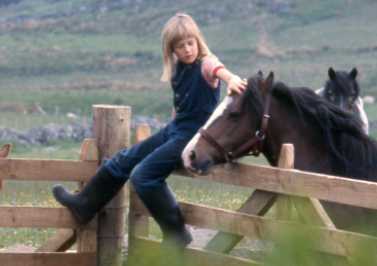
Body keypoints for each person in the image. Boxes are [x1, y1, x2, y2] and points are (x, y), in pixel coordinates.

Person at [53, 13, 246, 246]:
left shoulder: (205, 64)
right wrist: (168, 131)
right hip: (175, 129)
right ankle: (84, 205)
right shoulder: (176, 70)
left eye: (191, 43)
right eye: (180, 46)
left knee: (143, 175)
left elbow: (218, 69)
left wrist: (232, 78)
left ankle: (176, 233)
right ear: (171, 49)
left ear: (198, 41)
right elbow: (180, 108)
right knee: (123, 159)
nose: (187, 49)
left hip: (194, 136)